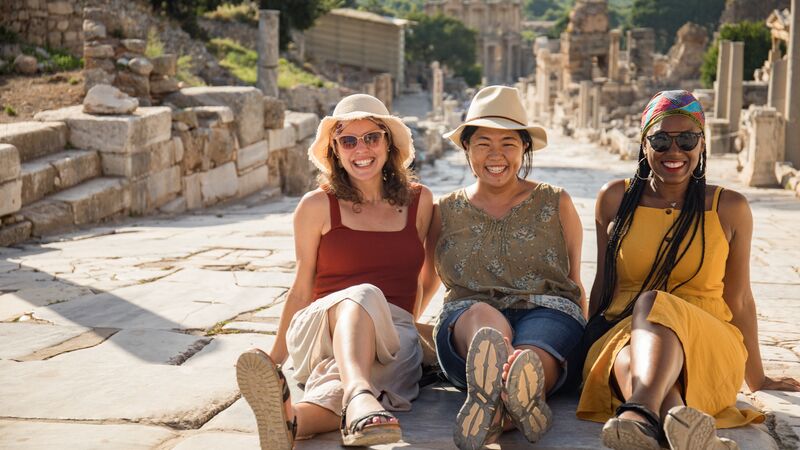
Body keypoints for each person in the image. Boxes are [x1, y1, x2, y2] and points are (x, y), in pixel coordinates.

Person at [576, 90, 800, 450]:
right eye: (661, 140)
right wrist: (581, 344)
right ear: (644, 143)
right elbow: (603, 283)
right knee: (627, 350)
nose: (674, 151)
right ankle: (676, 420)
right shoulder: (615, 198)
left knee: (653, 303)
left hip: (708, 335)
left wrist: (756, 378)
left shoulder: (728, 207)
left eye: (687, 139)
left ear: (702, 143)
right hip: (624, 330)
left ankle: (638, 412)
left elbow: (739, 298)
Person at [235, 94, 436, 450]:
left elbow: (425, 275)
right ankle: (359, 393)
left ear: (388, 144)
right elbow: (301, 288)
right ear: (335, 150)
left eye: (372, 137)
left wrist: (399, 325)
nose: (361, 148)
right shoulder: (316, 205)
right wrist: (274, 360)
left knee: (355, 374)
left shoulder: (420, 201)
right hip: (322, 327)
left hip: (392, 332)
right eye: (348, 140)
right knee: (363, 294)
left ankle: (293, 421)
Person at [429, 85, 586, 450]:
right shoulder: (444, 210)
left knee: (535, 349)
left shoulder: (556, 200)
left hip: (548, 310)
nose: (495, 155)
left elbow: (574, 281)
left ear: (524, 148)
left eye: (508, 143)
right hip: (467, 326)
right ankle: (512, 397)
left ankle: (505, 397)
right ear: (466, 148)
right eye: (483, 143)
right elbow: (424, 279)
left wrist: (591, 346)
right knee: (481, 314)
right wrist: (402, 333)